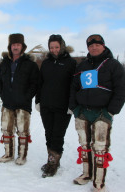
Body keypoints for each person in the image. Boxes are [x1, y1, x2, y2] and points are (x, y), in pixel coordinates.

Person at [68, 34, 125, 192]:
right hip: (82, 112)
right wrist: (74, 108)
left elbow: (122, 89)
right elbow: (73, 87)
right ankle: (87, 174)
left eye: (97, 45)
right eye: (90, 45)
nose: (94, 48)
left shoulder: (113, 65)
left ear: (103, 45)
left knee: (100, 148)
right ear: (88, 47)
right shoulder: (82, 66)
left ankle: (99, 183)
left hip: (103, 112)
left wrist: (111, 110)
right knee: (84, 145)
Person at [35, 34, 77, 177]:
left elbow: (74, 86)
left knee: (57, 136)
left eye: (56, 47)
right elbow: (40, 83)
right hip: (46, 106)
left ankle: (52, 164)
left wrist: (72, 104)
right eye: (51, 47)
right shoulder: (46, 63)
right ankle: (53, 160)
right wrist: (38, 101)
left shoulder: (71, 63)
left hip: (63, 107)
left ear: (62, 47)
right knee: (49, 134)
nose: (54, 50)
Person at [0, 33, 39, 165]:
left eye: (18, 45)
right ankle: (8, 154)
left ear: (23, 46)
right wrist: (2, 94)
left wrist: (26, 97)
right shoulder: (5, 63)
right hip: (7, 102)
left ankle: (22, 156)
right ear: (10, 46)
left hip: (23, 104)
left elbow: (35, 83)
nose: (15, 47)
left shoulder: (30, 64)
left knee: (22, 130)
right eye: (13, 45)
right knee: (6, 129)